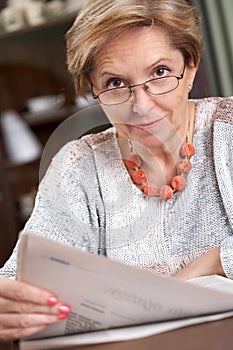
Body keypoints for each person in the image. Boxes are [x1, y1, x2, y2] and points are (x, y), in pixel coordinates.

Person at [0, 0, 233, 342]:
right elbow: (23, 276)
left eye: (160, 72)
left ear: (191, 68)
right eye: (115, 83)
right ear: (93, 91)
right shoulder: (80, 165)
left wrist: (214, 261)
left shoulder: (228, 130)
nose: (141, 105)